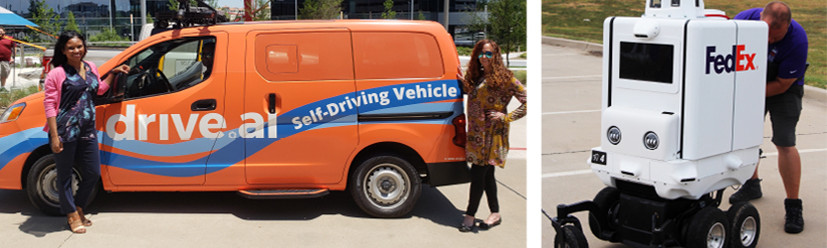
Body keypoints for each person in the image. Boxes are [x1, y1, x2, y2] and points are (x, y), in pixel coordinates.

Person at [730, 1, 808, 234]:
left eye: (775, 38)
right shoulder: (742, 20)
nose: (769, 41)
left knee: (784, 141)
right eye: (766, 35)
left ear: (787, 26)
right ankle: (752, 184)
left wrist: (748, 91)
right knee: (745, 136)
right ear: (760, 20)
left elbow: (783, 84)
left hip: (783, 87)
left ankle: (793, 205)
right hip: (749, 82)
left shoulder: (797, 39)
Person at [43, 31, 129, 234]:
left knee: (92, 172)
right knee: (64, 175)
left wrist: (114, 73)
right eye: (71, 48)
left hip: (87, 129)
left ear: (84, 47)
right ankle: (72, 215)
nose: (76, 51)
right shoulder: (56, 73)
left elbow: (98, 89)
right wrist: (55, 136)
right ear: (63, 50)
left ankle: (78, 206)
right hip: (64, 130)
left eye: (79, 46)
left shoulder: (90, 67)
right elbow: (49, 105)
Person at [457, 40, 526, 232]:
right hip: (476, 134)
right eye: (481, 54)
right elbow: (469, 91)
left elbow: (528, 101)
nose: (484, 57)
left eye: (488, 54)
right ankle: (495, 213)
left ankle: (470, 216)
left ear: (495, 56)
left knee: (478, 174)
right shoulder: (477, 77)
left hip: (492, 135)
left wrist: (507, 117)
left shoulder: (506, 78)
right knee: (487, 175)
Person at [0, 26, 16, 92]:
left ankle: (2, 87)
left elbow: (14, 47)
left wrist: (13, 57)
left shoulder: (9, 38)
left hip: (6, 60)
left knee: (4, 74)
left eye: (0, 31)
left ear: (4, 31)